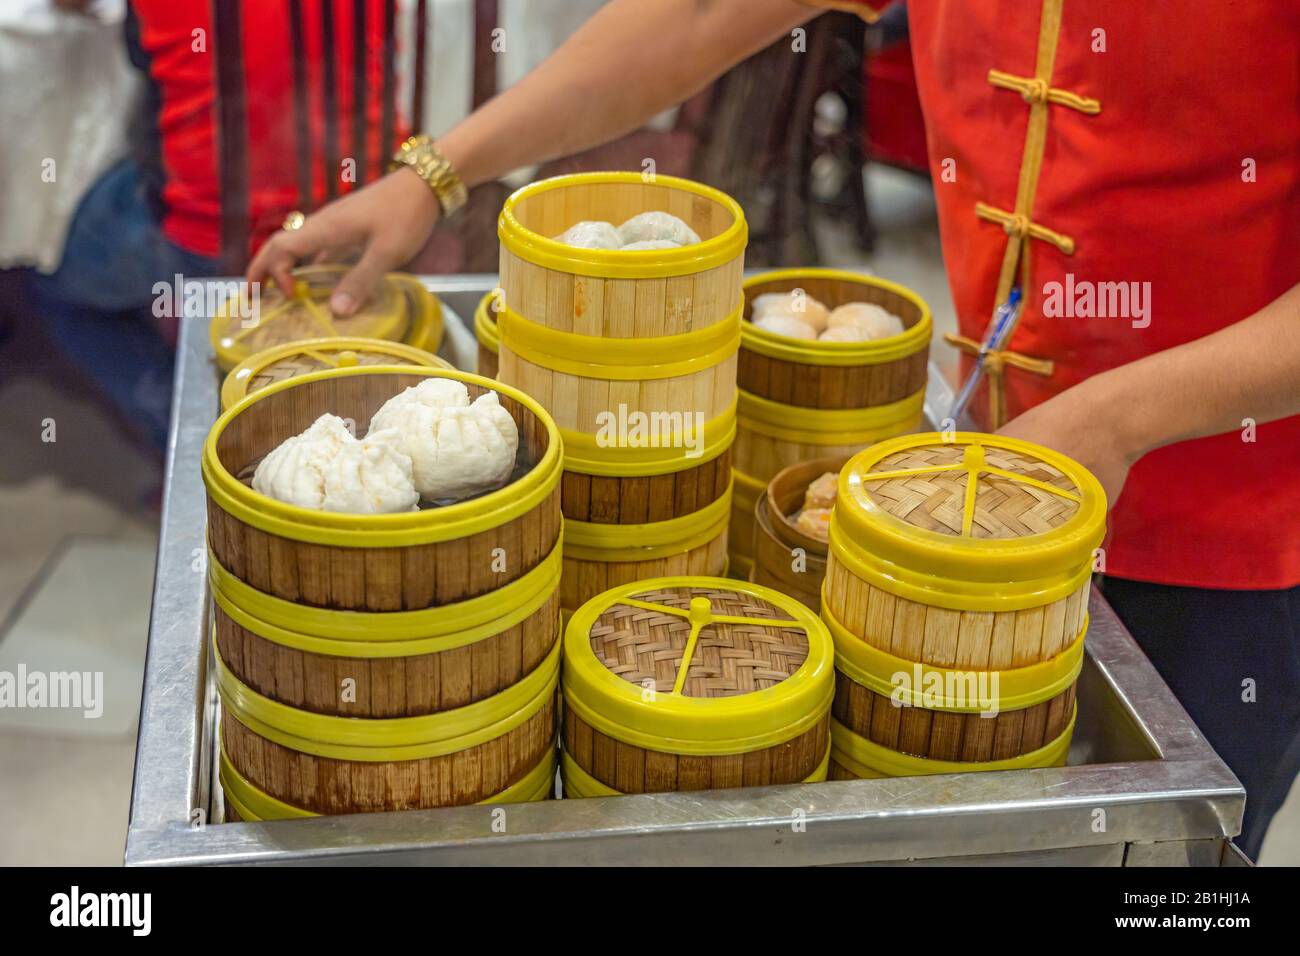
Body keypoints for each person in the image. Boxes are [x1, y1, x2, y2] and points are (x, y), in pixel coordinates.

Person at [247, 0, 1300, 859]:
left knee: (1170, 864)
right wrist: (433, 174)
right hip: (952, 494)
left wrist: (1118, 418)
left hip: (1226, 548)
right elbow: (699, 15)